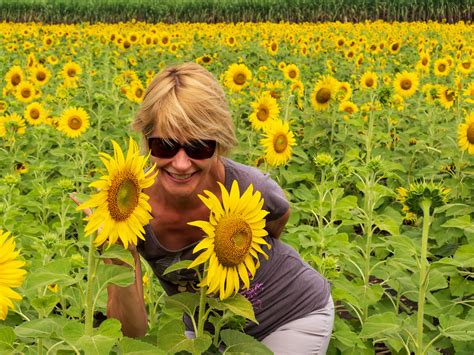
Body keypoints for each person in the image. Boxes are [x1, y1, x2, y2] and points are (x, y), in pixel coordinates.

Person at [103, 62, 334, 354]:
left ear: (220, 143)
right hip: (204, 327)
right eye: (165, 146)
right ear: (147, 142)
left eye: (199, 146)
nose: (182, 163)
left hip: (291, 313)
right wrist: (120, 252)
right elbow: (132, 333)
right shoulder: (130, 208)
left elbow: (278, 217)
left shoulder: (249, 186)